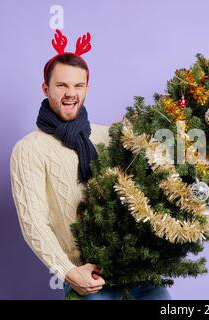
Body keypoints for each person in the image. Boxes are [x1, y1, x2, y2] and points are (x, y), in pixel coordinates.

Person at [10, 30, 171, 300]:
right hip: (88, 275)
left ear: (87, 88)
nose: (70, 93)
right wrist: (69, 272)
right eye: (62, 85)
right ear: (45, 88)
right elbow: (33, 223)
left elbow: (154, 172)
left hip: (138, 271)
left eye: (78, 86)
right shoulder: (29, 149)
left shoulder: (107, 136)